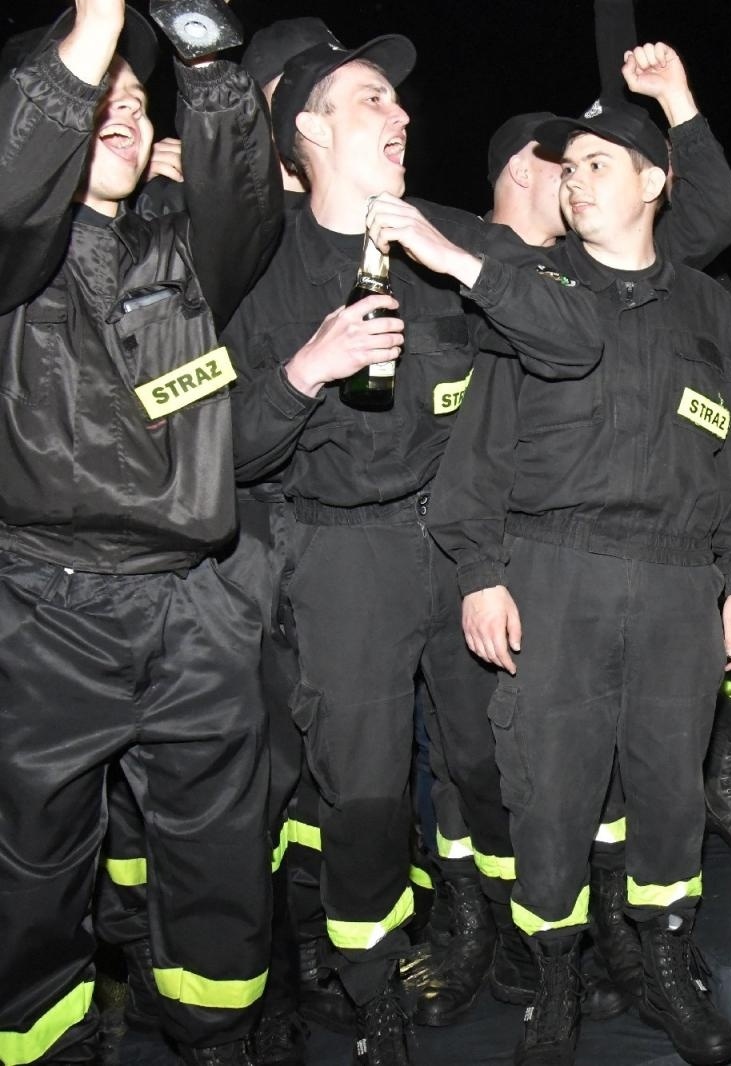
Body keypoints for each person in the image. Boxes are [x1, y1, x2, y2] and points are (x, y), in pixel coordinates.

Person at [222, 31, 590, 1056]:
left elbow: (574, 340)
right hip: (341, 554)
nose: (402, 117)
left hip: (461, 539)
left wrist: (460, 259)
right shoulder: (257, 260)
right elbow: (225, 452)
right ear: (308, 128)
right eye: (372, 100)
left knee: (488, 758)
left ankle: (509, 945)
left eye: (397, 101)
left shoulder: (446, 234)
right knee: (368, 789)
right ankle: (373, 984)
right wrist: (307, 369)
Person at [428, 98, 731, 1066]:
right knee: (550, 791)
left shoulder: (710, 307)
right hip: (554, 569)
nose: (574, 180)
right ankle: (553, 981)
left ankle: (664, 963)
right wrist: (479, 574)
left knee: (669, 785)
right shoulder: (533, 289)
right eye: (565, 167)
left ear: (656, 182)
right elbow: (480, 443)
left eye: (595, 163)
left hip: (676, 579)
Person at [0, 2, 282, 1062]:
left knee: (217, 852)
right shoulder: (14, 253)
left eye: (135, 97)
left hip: (194, 605)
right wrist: (95, 29)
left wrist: (205, 51)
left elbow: (249, 203)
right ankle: (45, 1045)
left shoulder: (183, 243)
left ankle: (216, 1035)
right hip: (42, 605)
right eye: (96, 96)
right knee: (33, 866)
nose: (122, 108)